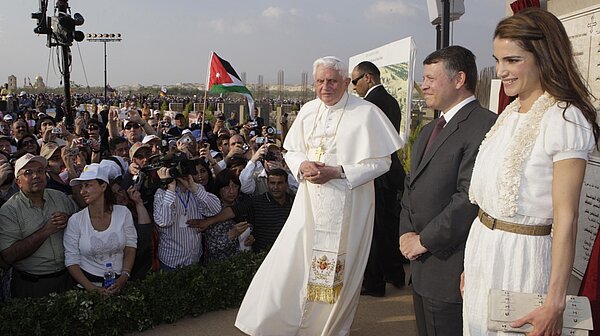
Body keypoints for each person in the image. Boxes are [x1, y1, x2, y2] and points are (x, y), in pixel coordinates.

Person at [234, 56, 402, 335]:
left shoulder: (367, 113)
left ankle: (329, 329)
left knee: (340, 270)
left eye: (333, 81)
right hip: (309, 203)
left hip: (350, 202)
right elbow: (294, 150)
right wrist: (302, 165)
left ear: (347, 82)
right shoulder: (309, 110)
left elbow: (382, 162)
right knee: (292, 261)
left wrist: (338, 172)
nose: (326, 87)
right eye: (321, 81)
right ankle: (282, 323)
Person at [462, 8, 598, 335]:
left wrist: (555, 301)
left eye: (512, 60)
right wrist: (474, 262)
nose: (501, 71)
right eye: (498, 60)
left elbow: (567, 217)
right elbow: (488, 201)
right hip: (483, 255)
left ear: (544, 56)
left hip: (523, 261)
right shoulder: (509, 113)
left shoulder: (564, 118)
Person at [398, 46, 497, 335]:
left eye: (430, 78)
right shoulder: (430, 130)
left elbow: (468, 197)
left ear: (458, 79)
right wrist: (406, 232)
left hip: (450, 266)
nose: (423, 85)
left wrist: (424, 240)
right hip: (420, 264)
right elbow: (411, 184)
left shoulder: (484, 126)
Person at [352, 60, 407, 297]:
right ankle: (394, 273)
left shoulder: (369, 106)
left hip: (376, 175)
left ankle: (374, 283)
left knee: (374, 230)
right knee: (388, 227)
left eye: (355, 81)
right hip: (391, 172)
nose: (354, 87)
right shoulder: (391, 101)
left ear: (368, 78)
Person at [0, 153, 79, 298]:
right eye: (28, 173)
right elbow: (9, 256)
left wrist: (70, 221)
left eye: (40, 171)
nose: (36, 176)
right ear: (18, 182)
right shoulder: (9, 210)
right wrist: (46, 231)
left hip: (67, 279)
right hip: (32, 285)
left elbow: (81, 224)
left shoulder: (60, 197)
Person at [63, 163, 137, 293]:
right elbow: (71, 260)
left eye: (88, 185)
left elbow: (130, 247)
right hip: (86, 287)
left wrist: (124, 277)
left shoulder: (123, 213)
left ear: (103, 186)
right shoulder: (76, 220)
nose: (82, 191)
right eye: (81, 186)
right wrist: (92, 289)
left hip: (119, 284)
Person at [153, 160, 221, 271]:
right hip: (171, 263)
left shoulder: (197, 189)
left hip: (195, 259)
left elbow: (215, 209)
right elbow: (164, 221)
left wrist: (193, 188)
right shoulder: (162, 193)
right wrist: (170, 187)